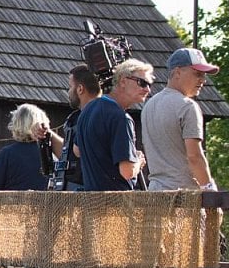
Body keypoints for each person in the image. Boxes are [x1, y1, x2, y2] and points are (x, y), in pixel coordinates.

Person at [143, 47, 220, 191]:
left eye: (203, 75)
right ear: (178, 72)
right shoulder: (188, 106)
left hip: (154, 195)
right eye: (197, 74)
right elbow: (194, 156)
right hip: (182, 197)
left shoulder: (149, 105)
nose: (203, 80)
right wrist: (209, 189)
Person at [73, 59, 153, 191]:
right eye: (142, 83)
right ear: (122, 81)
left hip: (90, 203)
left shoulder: (88, 109)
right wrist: (137, 161)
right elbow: (127, 171)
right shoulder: (121, 118)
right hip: (115, 204)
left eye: (149, 84)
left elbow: (77, 150)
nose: (147, 89)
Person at [47, 65, 100, 190]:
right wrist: (47, 134)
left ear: (80, 89)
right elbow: (70, 155)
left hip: (89, 193)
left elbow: (81, 152)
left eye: (70, 87)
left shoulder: (98, 117)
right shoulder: (75, 118)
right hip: (72, 190)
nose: (68, 91)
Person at [0, 103, 51, 191]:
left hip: (14, 204)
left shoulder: (7, 154)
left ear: (17, 124)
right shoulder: (50, 153)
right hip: (45, 203)